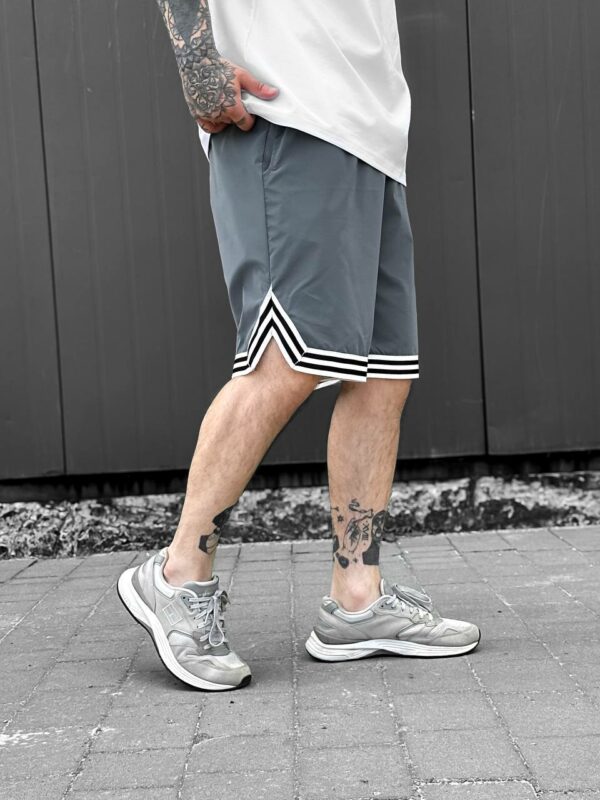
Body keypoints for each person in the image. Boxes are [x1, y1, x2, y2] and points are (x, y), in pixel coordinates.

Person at [117, 0, 481, 691]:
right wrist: (197, 62)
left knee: (382, 374)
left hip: (369, 127)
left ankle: (357, 599)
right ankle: (176, 574)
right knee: (282, 362)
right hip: (289, 111)